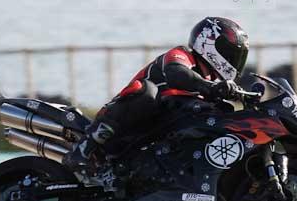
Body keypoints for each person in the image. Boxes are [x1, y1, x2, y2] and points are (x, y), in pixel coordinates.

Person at [63, 16, 249, 172]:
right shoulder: (182, 55)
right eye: (231, 54)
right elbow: (178, 73)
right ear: (209, 42)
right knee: (146, 92)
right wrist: (211, 88)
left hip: (151, 137)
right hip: (124, 120)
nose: (235, 61)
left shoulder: (209, 82)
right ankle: (84, 149)